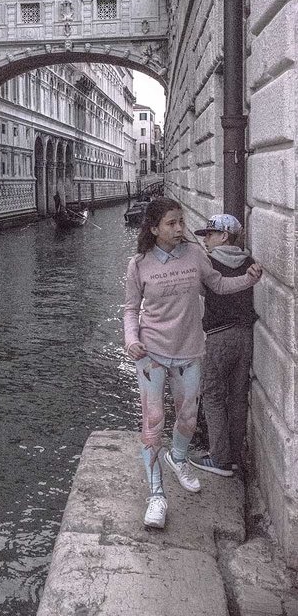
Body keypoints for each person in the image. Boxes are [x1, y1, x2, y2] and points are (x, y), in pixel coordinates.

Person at [123, 198, 262, 530]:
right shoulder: (138, 264)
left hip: (189, 351)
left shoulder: (196, 254)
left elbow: (217, 285)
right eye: (171, 223)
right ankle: (156, 496)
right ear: (154, 228)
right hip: (151, 353)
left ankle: (180, 459)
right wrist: (130, 339)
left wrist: (249, 279)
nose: (179, 228)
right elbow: (131, 309)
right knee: (153, 422)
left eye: (181, 221)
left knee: (186, 420)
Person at [188, 215, 257, 477]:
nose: (205, 239)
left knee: (214, 396)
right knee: (238, 397)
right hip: (245, 336)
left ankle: (219, 460)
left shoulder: (209, 263)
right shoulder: (249, 262)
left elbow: (203, 291)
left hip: (219, 337)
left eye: (210, 234)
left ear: (224, 236)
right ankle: (235, 457)